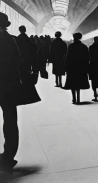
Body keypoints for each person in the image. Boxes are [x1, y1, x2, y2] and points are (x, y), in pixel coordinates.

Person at [0, 13, 40, 174]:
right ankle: (8, 156)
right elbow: (20, 62)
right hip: (9, 86)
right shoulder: (12, 40)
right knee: (10, 121)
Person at [64, 33, 90, 104]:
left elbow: (68, 58)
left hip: (72, 67)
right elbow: (87, 58)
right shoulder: (84, 47)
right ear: (80, 38)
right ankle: (78, 97)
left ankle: (74, 98)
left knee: (72, 83)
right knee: (79, 82)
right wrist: (86, 67)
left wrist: (66, 67)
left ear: (74, 38)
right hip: (81, 68)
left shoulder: (71, 46)